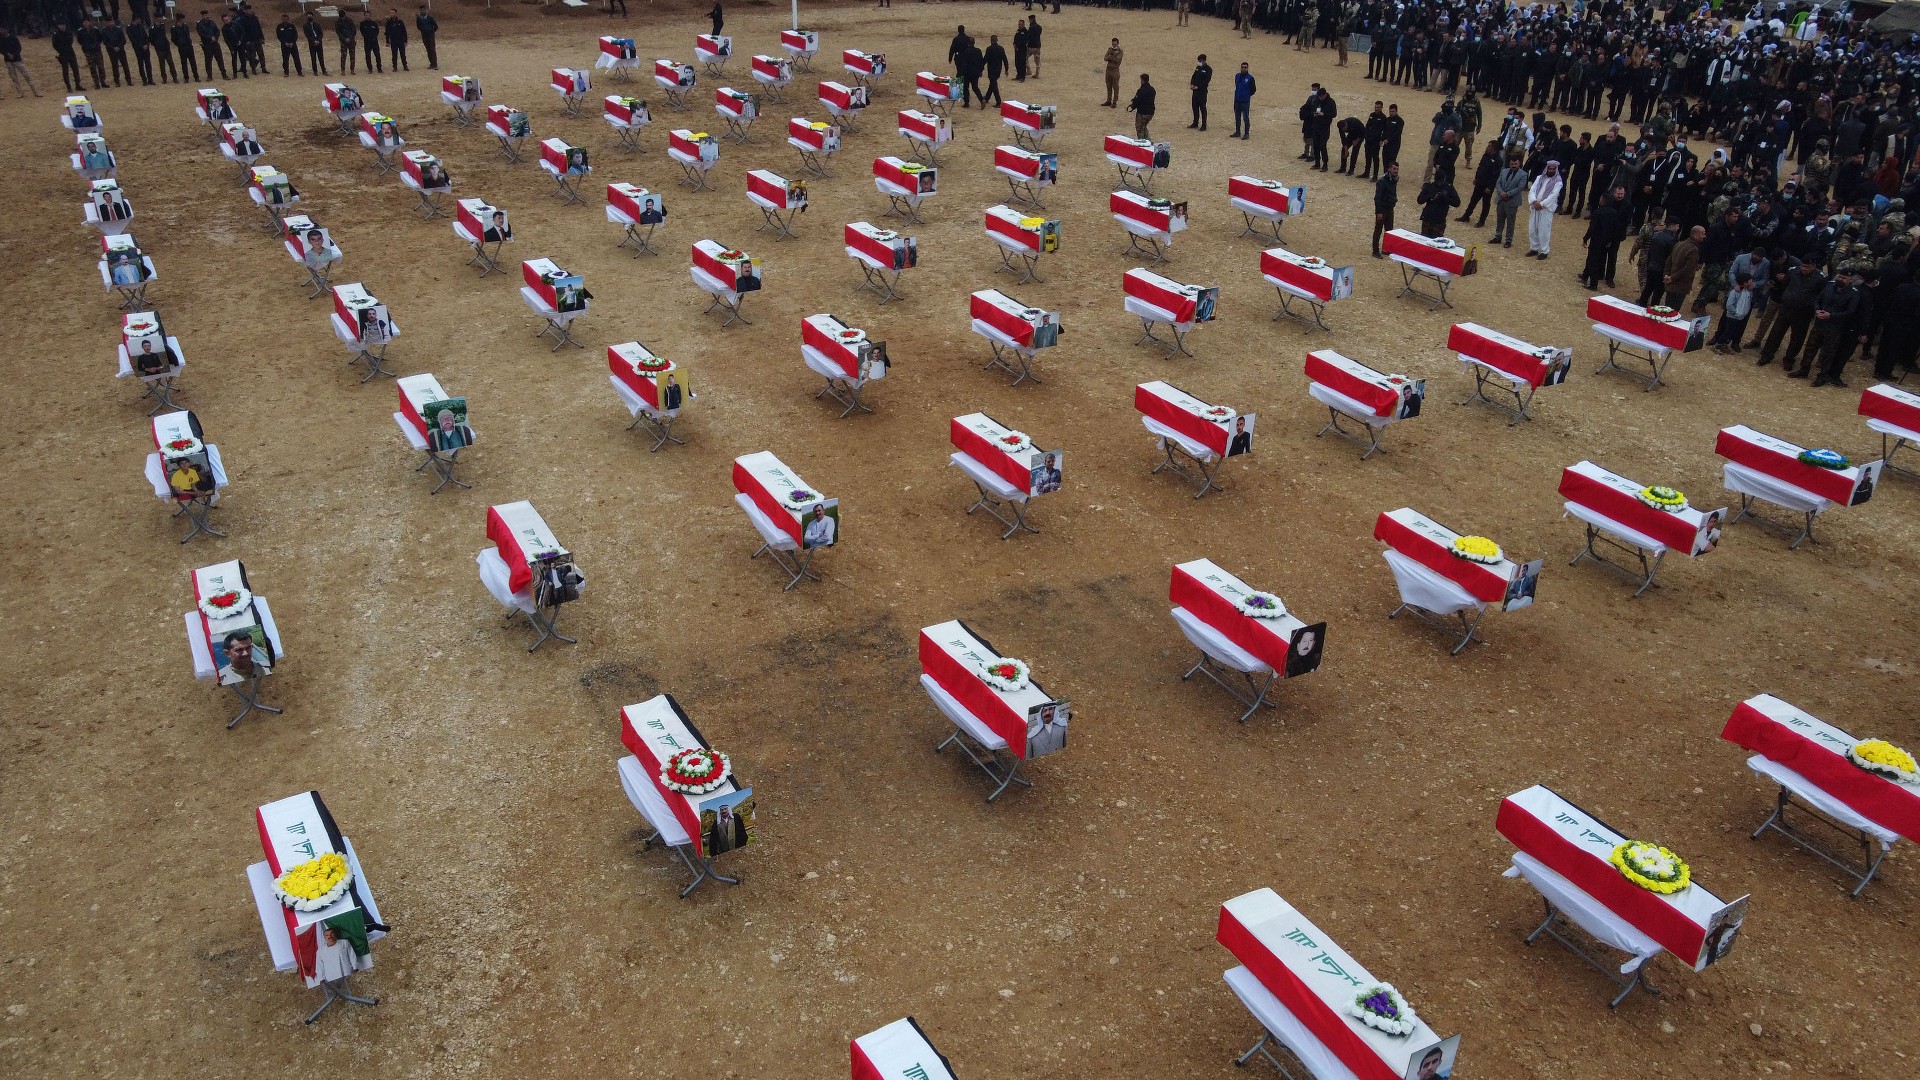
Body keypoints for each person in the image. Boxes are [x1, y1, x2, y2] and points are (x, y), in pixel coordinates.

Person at [1805, 266, 1861, 386]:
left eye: (1844, 278)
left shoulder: (1853, 293)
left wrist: (1831, 315)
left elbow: (1850, 311)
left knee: (1828, 353)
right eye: (1840, 276)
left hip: (1834, 328)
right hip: (1820, 323)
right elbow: (1818, 299)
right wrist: (1816, 310)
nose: (1841, 279)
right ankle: (1804, 369)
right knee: (1810, 347)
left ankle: (1822, 376)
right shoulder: (1830, 285)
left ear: (1850, 280)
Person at [1579, 189, 1627, 291]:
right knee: (1596, 260)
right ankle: (1585, 275)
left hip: (1597, 240)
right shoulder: (1614, 213)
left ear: (1604, 201)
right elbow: (1616, 228)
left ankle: (1593, 284)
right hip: (1608, 241)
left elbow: (1592, 228)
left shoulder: (1598, 212)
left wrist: (1585, 238)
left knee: (1593, 260)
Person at [1710, 272, 1756, 355]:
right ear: (1745, 283)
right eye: (1750, 281)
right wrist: (1736, 312)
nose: (1751, 282)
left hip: (1740, 317)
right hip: (1732, 317)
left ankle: (1724, 345)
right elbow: (1729, 305)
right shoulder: (1734, 292)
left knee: (1732, 332)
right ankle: (1717, 345)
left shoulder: (1746, 291)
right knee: (1727, 332)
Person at [1525, 160, 1563, 259]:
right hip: (1535, 206)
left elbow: (1553, 196)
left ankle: (1544, 251)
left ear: (1556, 170)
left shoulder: (1558, 182)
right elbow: (1532, 190)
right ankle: (1534, 248)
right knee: (1532, 229)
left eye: (1553, 169)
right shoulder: (1539, 178)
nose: (1551, 170)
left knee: (1544, 231)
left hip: (1546, 209)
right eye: (1549, 168)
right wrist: (1534, 201)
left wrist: (1541, 204)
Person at [1458, 143, 1500, 227]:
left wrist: (1490, 187)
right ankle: (1466, 216)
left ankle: (1482, 221)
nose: (1487, 147)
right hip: (1479, 182)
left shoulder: (1498, 160)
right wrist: (1476, 177)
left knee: (1485, 204)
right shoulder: (1486, 155)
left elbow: (1495, 176)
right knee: (1473, 200)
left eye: (1489, 146)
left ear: (1494, 148)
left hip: (1487, 186)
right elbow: (1480, 167)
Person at [1661, 225, 1704, 308]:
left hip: (1670, 284)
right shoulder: (1693, 249)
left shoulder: (1679, 244)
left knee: (1667, 308)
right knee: (1673, 312)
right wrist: (1672, 278)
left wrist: (1666, 275)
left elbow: (1669, 260)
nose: (1704, 236)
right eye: (1703, 234)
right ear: (1696, 235)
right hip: (1680, 286)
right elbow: (1688, 269)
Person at [1490, 153, 1527, 249]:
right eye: (1512, 164)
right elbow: (1498, 183)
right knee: (1500, 219)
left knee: (1510, 221)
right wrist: (1502, 192)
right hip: (1501, 199)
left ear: (1519, 164)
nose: (1514, 166)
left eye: (1516, 164)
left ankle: (1508, 240)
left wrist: (1507, 194)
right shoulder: (1504, 171)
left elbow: (1520, 187)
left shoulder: (1523, 174)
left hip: (1512, 201)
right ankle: (1498, 236)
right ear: (1509, 164)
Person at [1416, 174, 1459, 240]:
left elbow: (1457, 203)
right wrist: (1430, 196)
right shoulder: (1430, 186)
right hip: (1428, 218)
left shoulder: (1448, 188)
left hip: (1439, 220)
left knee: (1436, 241)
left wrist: (1444, 197)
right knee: (1424, 240)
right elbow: (1419, 200)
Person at [1303, 86, 1335, 171]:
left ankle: (1325, 164)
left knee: (1322, 146)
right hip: (1316, 126)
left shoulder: (1331, 102)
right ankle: (1317, 163)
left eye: (1321, 96)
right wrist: (1314, 113)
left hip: (1324, 127)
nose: (1320, 98)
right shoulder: (1317, 100)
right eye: (1319, 96)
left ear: (1325, 95)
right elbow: (1312, 108)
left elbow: (1334, 114)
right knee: (1316, 145)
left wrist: (1324, 114)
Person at [1372, 162, 1398, 259]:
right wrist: (1378, 211)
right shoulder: (1382, 181)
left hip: (1389, 208)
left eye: (1397, 169)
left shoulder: (1394, 180)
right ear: (1389, 169)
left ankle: (1386, 248)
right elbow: (1377, 197)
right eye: (1394, 169)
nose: (1396, 171)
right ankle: (1375, 250)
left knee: (1389, 230)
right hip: (1382, 208)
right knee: (1378, 230)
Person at [2, 29, 39, 97]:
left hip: (15, 59)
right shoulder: (2, 38)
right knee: (15, 77)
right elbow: (1, 49)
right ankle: (23, 92)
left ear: (6, 30)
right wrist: (8, 54)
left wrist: (12, 55)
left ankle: (35, 91)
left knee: (26, 75)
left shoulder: (13, 37)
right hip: (10, 60)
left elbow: (18, 47)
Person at [77, 18, 107, 89]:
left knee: (101, 67)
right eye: (84, 22)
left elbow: (100, 38)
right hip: (88, 52)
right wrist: (85, 47)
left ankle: (103, 82)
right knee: (92, 68)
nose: (85, 24)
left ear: (89, 22)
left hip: (97, 51)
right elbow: (80, 41)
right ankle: (96, 83)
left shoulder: (95, 30)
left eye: (86, 22)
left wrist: (96, 45)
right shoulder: (80, 31)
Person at [1230, 62, 1254, 141]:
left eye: (1245, 67)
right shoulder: (1237, 76)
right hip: (1237, 100)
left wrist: (1246, 95)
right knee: (1237, 117)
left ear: (1247, 68)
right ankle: (1237, 131)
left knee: (1245, 117)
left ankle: (1246, 133)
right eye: (1242, 67)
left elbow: (1253, 90)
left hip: (1245, 101)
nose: (1243, 69)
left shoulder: (1250, 78)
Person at [1126, 74, 1154, 141]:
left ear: (1142, 80)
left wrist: (1132, 106)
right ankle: (1148, 141)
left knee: (1139, 128)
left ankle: (1142, 143)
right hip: (1151, 113)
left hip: (1142, 113)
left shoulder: (1141, 90)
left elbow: (1137, 101)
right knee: (1143, 126)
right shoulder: (1152, 89)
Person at [1187, 54, 1210, 131]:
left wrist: (1198, 87)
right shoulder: (1198, 67)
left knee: (1202, 108)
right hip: (1195, 91)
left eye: (1200, 61)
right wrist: (1192, 84)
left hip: (1202, 92)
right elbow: (1194, 76)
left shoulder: (1208, 69)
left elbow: (1206, 80)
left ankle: (1204, 125)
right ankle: (1195, 122)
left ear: (1204, 60)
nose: (1199, 62)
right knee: (1195, 107)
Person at [127, 18, 154, 85]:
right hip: (138, 49)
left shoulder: (141, 26)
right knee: (141, 64)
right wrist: (142, 46)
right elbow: (133, 39)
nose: (140, 20)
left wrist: (147, 44)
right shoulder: (130, 28)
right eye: (139, 19)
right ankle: (144, 79)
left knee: (148, 64)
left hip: (145, 48)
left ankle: (150, 79)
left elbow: (146, 36)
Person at [981, 35, 1005, 107]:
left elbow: (985, 59)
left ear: (991, 40)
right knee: (992, 83)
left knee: (994, 85)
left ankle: (998, 101)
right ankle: (987, 97)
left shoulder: (989, 49)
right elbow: (1005, 59)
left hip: (991, 69)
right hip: (998, 69)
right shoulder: (1001, 48)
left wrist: (981, 67)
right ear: (997, 40)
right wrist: (1006, 68)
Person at [1102, 38, 1122, 109]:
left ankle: (1114, 101)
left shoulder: (1120, 51)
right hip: (1108, 70)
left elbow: (1117, 60)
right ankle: (1108, 100)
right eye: (1113, 44)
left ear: (1117, 43)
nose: (1113, 45)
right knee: (1108, 86)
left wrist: (1110, 57)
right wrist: (1111, 57)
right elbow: (1105, 58)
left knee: (1115, 87)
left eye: (1115, 44)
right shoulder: (1110, 49)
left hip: (1115, 71)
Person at [1025, 15, 1041, 79]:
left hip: (1031, 46)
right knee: (1037, 61)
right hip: (1038, 45)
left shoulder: (1031, 28)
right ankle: (1037, 74)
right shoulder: (1039, 27)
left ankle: (1028, 70)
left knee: (1024, 57)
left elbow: (1029, 37)